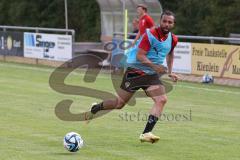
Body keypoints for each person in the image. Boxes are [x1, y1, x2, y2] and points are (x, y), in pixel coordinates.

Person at [90, 10, 179, 143]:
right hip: (135, 72)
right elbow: (140, 55)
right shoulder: (150, 35)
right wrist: (155, 67)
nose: (166, 24)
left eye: (170, 22)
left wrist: (170, 71)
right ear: (160, 21)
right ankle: (96, 107)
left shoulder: (173, 39)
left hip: (150, 75)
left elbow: (170, 54)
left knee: (161, 100)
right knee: (119, 104)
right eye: (164, 21)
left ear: (173, 24)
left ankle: (146, 133)